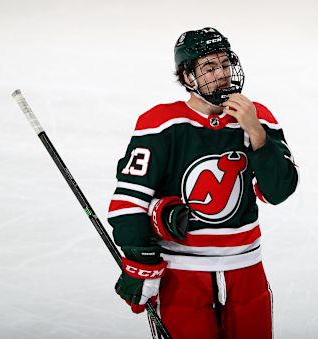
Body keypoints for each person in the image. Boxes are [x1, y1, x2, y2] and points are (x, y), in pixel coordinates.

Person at [107, 27, 298, 339]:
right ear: (187, 77)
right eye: (209, 68)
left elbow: (279, 190)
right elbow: (127, 202)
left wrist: (256, 132)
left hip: (246, 270)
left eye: (224, 64)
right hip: (182, 276)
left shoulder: (255, 115)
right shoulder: (160, 123)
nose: (221, 75)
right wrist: (141, 262)